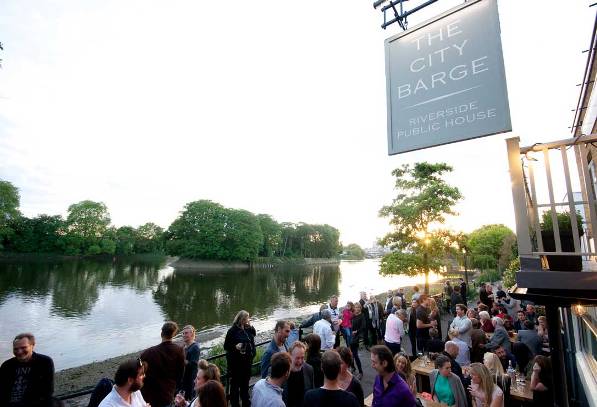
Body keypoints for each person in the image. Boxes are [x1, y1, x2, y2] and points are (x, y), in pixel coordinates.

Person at [0, 333, 55, 407]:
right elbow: (2, 390)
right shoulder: (7, 365)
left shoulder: (44, 362)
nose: (19, 352)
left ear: (32, 346)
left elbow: (47, 391)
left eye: (23, 348)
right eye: (16, 349)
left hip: (34, 402)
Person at [140, 321, 185, 407]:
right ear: (174, 334)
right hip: (168, 393)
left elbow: (138, 371)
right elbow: (180, 373)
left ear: (161, 333)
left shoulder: (149, 352)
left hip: (150, 395)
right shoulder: (179, 350)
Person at [224, 310, 256, 407]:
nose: (247, 320)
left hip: (247, 363)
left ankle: (246, 403)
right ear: (241, 319)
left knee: (245, 385)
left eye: (248, 318)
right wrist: (235, 347)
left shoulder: (247, 328)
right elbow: (226, 346)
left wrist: (250, 326)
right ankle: (235, 405)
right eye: (246, 318)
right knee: (235, 387)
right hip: (236, 365)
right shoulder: (232, 331)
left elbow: (254, 334)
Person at [282, 342, 314, 407]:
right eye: (297, 358)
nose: (300, 361)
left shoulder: (309, 369)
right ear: (289, 356)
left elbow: (311, 393)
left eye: (302, 358)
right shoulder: (281, 370)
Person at [180, 325, 201, 400]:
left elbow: (194, 365)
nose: (184, 335)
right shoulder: (184, 346)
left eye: (186, 333)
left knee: (190, 400)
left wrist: (181, 360)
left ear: (192, 334)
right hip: (183, 379)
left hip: (191, 380)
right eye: (183, 333)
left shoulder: (195, 347)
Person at [350, 301, 366, 379]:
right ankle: (352, 367)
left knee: (355, 355)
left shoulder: (362, 316)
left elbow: (363, 327)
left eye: (358, 307)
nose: (357, 309)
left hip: (356, 337)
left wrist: (356, 331)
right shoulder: (353, 316)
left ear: (360, 308)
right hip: (351, 336)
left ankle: (360, 372)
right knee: (351, 354)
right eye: (356, 307)